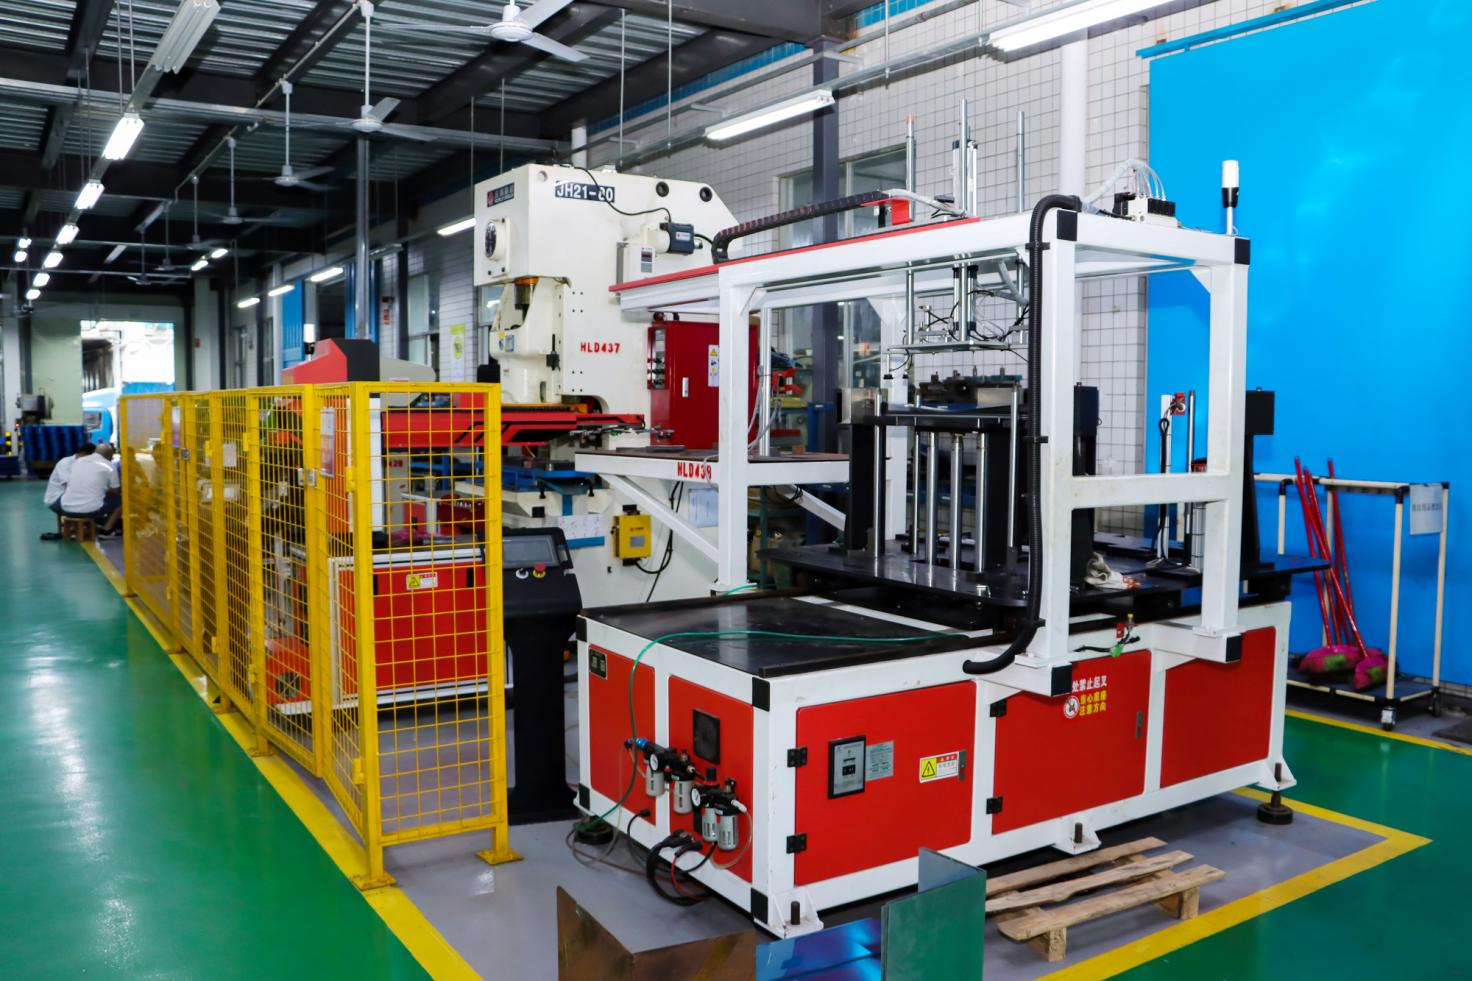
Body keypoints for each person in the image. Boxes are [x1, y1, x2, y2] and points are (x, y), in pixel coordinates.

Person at [58, 445, 122, 537]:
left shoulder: (78, 461)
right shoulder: (109, 465)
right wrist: (103, 489)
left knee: (95, 498)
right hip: (89, 510)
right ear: (109, 456)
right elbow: (116, 490)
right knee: (121, 500)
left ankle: (93, 526)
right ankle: (107, 530)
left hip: (66, 508)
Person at [40, 444, 95, 540]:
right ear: (84, 454)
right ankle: (76, 528)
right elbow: (69, 485)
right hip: (56, 499)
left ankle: (78, 528)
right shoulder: (65, 463)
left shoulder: (85, 464)